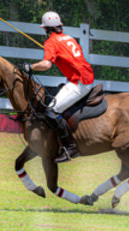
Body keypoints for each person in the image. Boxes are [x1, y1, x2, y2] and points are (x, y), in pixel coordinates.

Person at [21, 12, 95, 156]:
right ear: (59, 26)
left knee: (51, 111)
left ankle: (70, 147)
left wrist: (30, 67)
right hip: (85, 77)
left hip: (79, 82)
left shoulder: (51, 42)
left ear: (45, 29)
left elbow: (46, 65)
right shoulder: (69, 38)